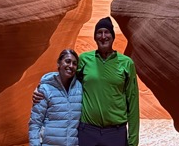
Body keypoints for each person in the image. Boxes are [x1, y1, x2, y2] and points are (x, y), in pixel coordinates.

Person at [33, 17, 140, 146]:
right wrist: (43, 86)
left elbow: (133, 103)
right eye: (99, 32)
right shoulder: (84, 59)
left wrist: (133, 141)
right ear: (95, 37)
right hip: (88, 132)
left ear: (113, 36)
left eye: (107, 32)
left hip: (115, 133)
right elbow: (65, 77)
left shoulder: (126, 63)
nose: (103, 36)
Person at [29, 49, 83, 146]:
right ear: (59, 63)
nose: (71, 66)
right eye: (67, 61)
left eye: (74, 63)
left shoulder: (79, 88)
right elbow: (35, 123)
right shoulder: (45, 89)